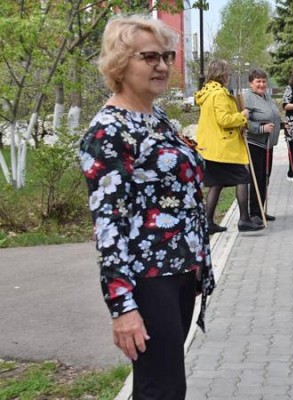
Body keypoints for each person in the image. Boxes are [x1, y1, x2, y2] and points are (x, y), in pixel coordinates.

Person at [78, 14, 215, 399]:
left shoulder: (156, 118)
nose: (162, 66)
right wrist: (122, 307)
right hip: (148, 281)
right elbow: (108, 226)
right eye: (149, 57)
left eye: (167, 57)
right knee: (162, 388)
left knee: (166, 384)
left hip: (180, 273)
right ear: (120, 64)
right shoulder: (109, 131)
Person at [195, 59, 263, 233]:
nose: (229, 75)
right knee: (243, 177)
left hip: (211, 147)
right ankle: (244, 219)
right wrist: (242, 116)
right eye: (228, 72)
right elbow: (224, 120)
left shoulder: (207, 93)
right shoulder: (219, 94)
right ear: (222, 73)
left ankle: (208, 222)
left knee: (216, 183)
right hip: (223, 147)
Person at [243, 69, 280, 223]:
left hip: (268, 145)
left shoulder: (266, 96)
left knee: (265, 178)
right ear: (251, 83)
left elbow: (272, 116)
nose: (261, 84)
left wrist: (283, 125)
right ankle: (254, 214)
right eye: (258, 81)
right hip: (255, 144)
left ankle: (261, 210)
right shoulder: (248, 98)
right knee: (256, 179)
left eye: (264, 81)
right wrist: (260, 129)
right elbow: (244, 121)